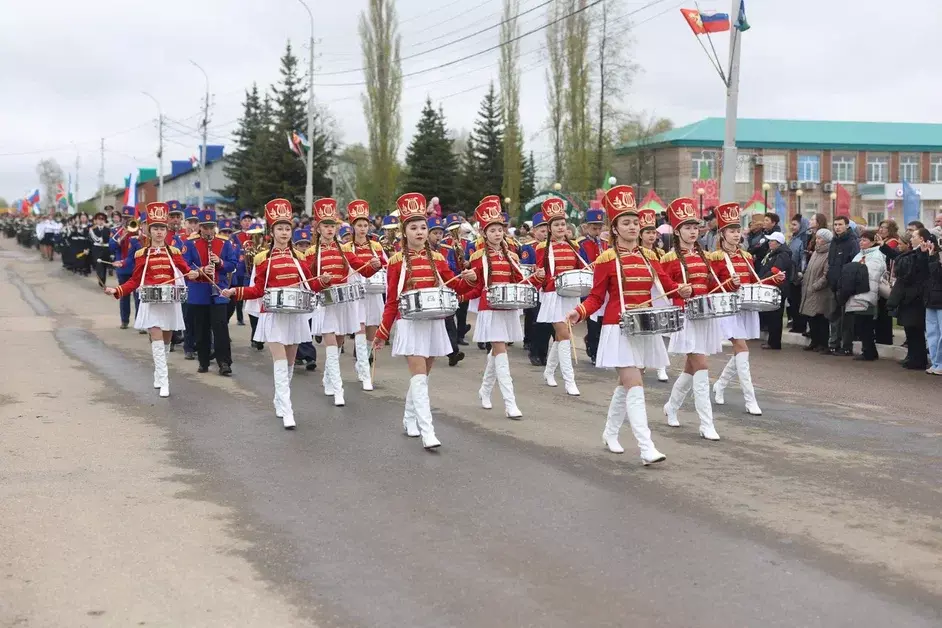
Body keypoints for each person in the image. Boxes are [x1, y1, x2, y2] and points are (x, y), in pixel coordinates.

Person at [566, 186, 677, 464]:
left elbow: (667, 285)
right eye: (625, 222)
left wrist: (683, 291)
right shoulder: (606, 259)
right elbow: (596, 296)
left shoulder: (650, 256)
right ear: (614, 228)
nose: (632, 227)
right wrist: (579, 312)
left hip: (645, 326)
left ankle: (610, 432)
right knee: (635, 383)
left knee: (627, 383)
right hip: (618, 327)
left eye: (635, 222)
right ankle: (646, 447)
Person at [372, 193, 478, 449]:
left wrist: (472, 277)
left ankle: (409, 418)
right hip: (410, 323)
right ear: (403, 231)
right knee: (419, 377)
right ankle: (427, 431)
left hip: (433, 322)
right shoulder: (396, 262)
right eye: (413, 227)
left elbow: (455, 286)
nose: (419, 232)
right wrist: (382, 332)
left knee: (423, 377)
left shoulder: (439, 259)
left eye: (423, 227)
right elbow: (392, 301)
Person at [222, 199, 325, 429]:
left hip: (295, 315)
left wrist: (323, 280)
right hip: (273, 314)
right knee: (279, 362)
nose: (285, 232)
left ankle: (280, 398)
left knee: (289, 364)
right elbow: (257, 290)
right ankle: (287, 409)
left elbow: (310, 285)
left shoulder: (300, 257)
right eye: (280, 228)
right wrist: (235, 292)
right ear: (272, 231)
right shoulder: (262, 259)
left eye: (288, 228)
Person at [104, 202, 199, 398]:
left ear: (166, 231)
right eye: (155, 228)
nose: (158, 232)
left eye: (162, 228)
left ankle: (159, 372)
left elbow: (186, 271)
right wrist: (117, 290)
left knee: (166, 342)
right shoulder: (142, 253)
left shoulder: (174, 252)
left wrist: (195, 274)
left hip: (170, 301)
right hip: (151, 301)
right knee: (156, 339)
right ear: (148, 230)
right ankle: (164, 381)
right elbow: (134, 280)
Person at [660, 197, 732, 441]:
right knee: (701, 366)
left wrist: (729, 284)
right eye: (687, 228)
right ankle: (706, 423)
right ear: (677, 230)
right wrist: (678, 287)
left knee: (691, 367)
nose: (693, 232)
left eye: (695, 228)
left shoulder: (707, 257)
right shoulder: (669, 259)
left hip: (705, 314)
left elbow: (713, 284)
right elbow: (662, 285)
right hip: (685, 316)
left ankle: (671, 406)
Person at [467, 198, 545, 419]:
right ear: (484, 233)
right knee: (500, 350)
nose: (497, 234)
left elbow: (521, 282)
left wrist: (537, 278)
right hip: (490, 308)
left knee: (498, 350)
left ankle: (484, 390)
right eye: (492, 230)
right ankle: (511, 403)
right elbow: (474, 288)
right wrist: (471, 281)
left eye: (500, 229)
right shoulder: (477, 257)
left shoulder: (512, 255)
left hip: (508, 307)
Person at [308, 198, 380, 407]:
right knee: (331, 341)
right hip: (326, 301)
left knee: (339, 342)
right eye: (326, 225)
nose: (330, 229)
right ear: (318, 228)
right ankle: (338, 389)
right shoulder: (312, 252)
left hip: (344, 301)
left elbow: (362, 268)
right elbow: (307, 277)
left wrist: (373, 265)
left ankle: (328, 378)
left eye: (333, 225)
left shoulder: (345, 250)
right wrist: (319, 281)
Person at [710, 203, 765, 415]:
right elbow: (711, 287)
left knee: (740, 351)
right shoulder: (714, 258)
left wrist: (771, 282)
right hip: (727, 309)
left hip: (745, 307)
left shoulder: (747, 256)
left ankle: (720, 385)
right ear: (722, 234)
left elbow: (753, 281)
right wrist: (729, 285)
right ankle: (750, 399)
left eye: (737, 230)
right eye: (731, 231)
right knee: (742, 349)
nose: (736, 234)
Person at [535, 197, 588, 396]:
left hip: (570, 295)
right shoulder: (542, 247)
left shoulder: (574, 246)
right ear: (549, 228)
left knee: (560, 336)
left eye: (562, 224)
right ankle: (569, 380)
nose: (560, 227)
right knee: (565, 335)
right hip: (553, 295)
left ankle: (549, 372)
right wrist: (540, 275)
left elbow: (581, 269)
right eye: (556, 224)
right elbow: (540, 273)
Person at [181, 208, 237, 376]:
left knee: (221, 328)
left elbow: (232, 264)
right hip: (198, 291)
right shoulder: (190, 243)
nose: (208, 231)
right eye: (205, 227)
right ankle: (203, 361)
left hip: (219, 290)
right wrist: (200, 270)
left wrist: (219, 262)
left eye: (211, 227)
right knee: (201, 328)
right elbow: (184, 264)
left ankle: (224, 362)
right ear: (200, 227)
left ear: (215, 226)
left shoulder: (224, 242)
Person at [345, 199, 387, 390]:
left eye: (365, 225)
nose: (362, 229)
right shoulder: (346, 248)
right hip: (356, 293)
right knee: (359, 330)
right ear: (353, 227)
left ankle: (363, 361)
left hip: (374, 292)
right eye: (359, 225)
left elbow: (386, 264)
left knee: (372, 331)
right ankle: (364, 372)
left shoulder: (376, 246)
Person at [887, 228, 930, 370]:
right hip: (907, 296)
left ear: (922, 239)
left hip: (915, 297)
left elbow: (917, 272)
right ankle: (912, 356)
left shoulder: (923, 253)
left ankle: (918, 359)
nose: (911, 239)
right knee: (909, 330)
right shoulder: (912, 253)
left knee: (915, 330)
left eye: (914, 236)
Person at [843, 230, 886, 361]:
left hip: (868, 293)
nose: (861, 242)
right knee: (860, 323)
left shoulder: (877, 255)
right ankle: (868, 349)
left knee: (866, 323)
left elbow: (872, 274)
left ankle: (869, 351)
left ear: (873, 242)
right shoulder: (859, 255)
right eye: (860, 240)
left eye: (865, 240)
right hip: (856, 292)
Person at [639, 208, 670, 382]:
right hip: (644, 293)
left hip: (659, 295)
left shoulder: (661, 254)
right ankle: (641, 365)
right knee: (644, 331)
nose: (652, 236)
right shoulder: (636, 251)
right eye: (648, 232)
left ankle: (661, 366)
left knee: (661, 330)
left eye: (653, 233)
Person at [826, 215, 860, 354]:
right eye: (835, 225)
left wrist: (846, 283)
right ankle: (833, 344)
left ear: (847, 226)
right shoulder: (834, 241)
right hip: (834, 284)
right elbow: (831, 262)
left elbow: (853, 264)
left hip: (846, 286)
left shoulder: (852, 242)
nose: (837, 227)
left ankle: (846, 347)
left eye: (840, 224)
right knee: (834, 316)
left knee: (846, 318)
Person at [799, 229, 836, 353]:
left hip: (820, 291)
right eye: (817, 238)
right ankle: (814, 341)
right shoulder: (816, 251)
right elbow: (810, 269)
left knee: (821, 318)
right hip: (809, 289)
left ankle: (823, 343)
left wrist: (815, 286)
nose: (817, 240)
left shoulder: (829, 253)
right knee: (811, 317)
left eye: (820, 238)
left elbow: (826, 274)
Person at [578, 208, 606, 364]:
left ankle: (596, 345)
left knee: (603, 321)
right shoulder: (580, 245)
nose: (597, 231)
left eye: (599, 228)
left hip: (604, 287)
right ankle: (594, 351)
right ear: (586, 228)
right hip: (589, 286)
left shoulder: (606, 244)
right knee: (593, 322)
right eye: (594, 228)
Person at [756, 232, 792, 350]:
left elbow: (775, 270)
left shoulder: (783, 255)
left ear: (779, 243)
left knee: (776, 316)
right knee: (772, 315)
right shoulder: (773, 253)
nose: (769, 242)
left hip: (778, 288)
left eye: (772, 241)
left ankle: (775, 342)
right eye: (770, 240)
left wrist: (762, 280)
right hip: (771, 287)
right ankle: (772, 341)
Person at [109, 205, 142, 329]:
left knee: (138, 296)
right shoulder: (116, 231)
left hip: (136, 267)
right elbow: (111, 247)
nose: (127, 220)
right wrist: (122, 236)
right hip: (122, 268)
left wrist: (138, 234)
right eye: (125, 217)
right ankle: (124, 320)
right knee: (124, 295)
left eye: (129, 217)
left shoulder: (138, 230)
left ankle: (139, 323)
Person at [787, 214, 810, 333]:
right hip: (791, 274)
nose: (792, 227)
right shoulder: (793, 238)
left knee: (798, 301)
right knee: (793, 301)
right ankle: (796, 324)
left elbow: (803, 257)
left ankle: (801, 325)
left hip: (799, 275)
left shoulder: (804, 239)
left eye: (795, 224)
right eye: (791, 224)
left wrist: (801, 272)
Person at [922, 234, 942, 375]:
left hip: (939, 299)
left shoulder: (935, 258)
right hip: (931, 299)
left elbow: (937, 275)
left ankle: (940, 363)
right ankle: (936, 363)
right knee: (932, 334)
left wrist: (933, 258)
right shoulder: (932, 257)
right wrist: (928, 256)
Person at [89, 212, 112, 287]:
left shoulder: (108, 229)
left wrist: (108, 229)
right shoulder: (92, 229)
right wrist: (101, 239)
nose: (101, 221)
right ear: (95, 220)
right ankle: (100, 277)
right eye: (99, 219)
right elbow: (95, 239)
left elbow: (110, 238)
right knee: (99, 265)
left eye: (102, 219)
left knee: (104, 265)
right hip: (97, 249)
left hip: (105, 248)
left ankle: (102, 281)